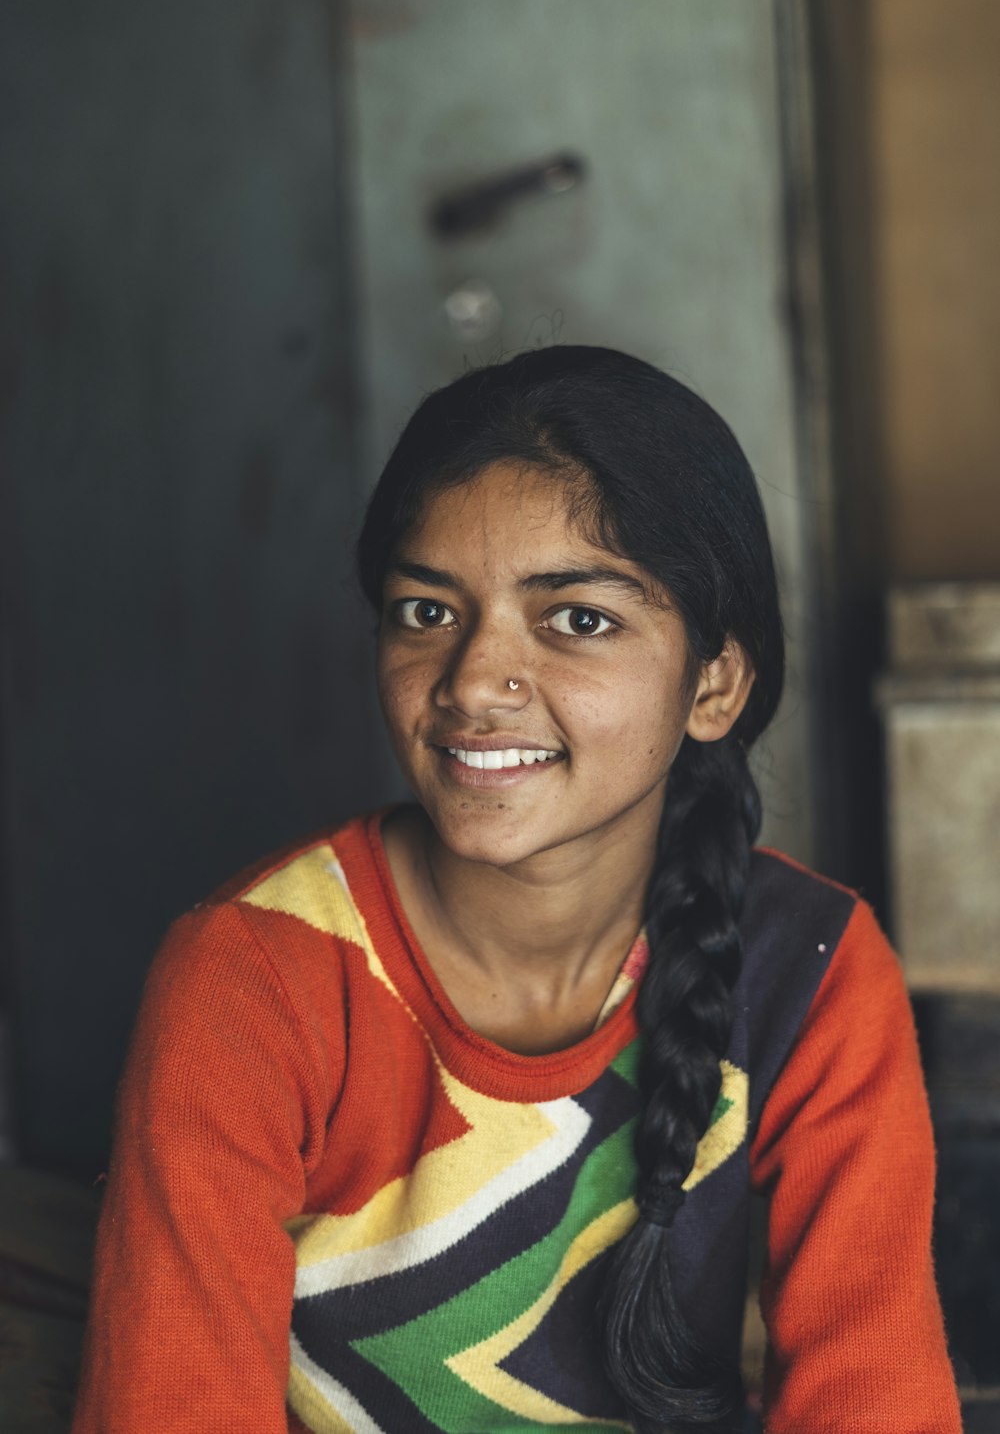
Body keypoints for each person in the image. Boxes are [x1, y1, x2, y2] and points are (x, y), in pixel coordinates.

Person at [73, 346, 961, 1433]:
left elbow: (875, 1399)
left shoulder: (809, 971)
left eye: (577, 619)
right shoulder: (254, 979)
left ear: (715, 683)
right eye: (425, 611)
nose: (471, 682)